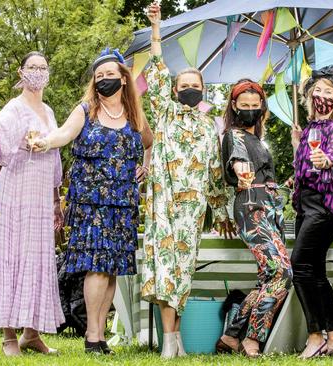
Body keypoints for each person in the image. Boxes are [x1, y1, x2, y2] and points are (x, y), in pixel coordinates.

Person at [33, 48, 153, 354]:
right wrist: (45, 141)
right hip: (91, 203)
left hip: (122, 203)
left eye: (110, 74)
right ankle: (91, 334)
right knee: (96, 267)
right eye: (99, 75)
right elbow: (64, 134)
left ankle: (99, 336)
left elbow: (151, 142)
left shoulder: (134, 115)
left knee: (111, 269)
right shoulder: (86, 110)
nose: (104, 79)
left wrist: (146, 164)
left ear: (124, 79)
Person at [141, 2, 235, 358]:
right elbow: (157, 70)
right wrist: (156, 29)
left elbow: (213, 174)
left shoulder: (209, 127)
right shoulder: (165, 111)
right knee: (166, 268)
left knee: (182, 271)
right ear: (175, 89)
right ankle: (168, 341)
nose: (190, 89)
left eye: (196, 85)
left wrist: (222, 212)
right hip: (164, 203)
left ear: (203, 90)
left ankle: (177, 338)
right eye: (185, 85)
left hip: (193, 210)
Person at [0, 51, 64, 356]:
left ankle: (31, 333)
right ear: (21, 72)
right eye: (32, 67)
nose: (37, 72)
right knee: (11, 257)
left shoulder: (49, 112)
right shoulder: (14, 107)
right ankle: (9, 336)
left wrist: (56, 201)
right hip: (15, 193)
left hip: (40, 196)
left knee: (36, 259)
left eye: (42, 68)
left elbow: (54, 158)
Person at [215, 80, 293, 358]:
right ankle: (252, 339)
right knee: (282, 272)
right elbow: (237, 160)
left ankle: (230, 335)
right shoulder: (234, 135)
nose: (249, 109)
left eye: (254, 105)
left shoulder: (257, 139)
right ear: (234, 106)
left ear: (262, 106)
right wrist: (239, 169)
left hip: (271, 205)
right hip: (251, 206)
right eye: (244, 105)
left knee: (268, 277)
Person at [290, 63, 333, 358]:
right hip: (306, 206)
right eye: (318, 90)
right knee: (314, 272)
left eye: (329, 91)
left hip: (325, 208)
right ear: (310, 96)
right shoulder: (308, 130)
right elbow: (304, 173)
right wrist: (297, 152)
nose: (322, 95)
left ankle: (316, 336)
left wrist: (326, 161)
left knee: (299, 266)